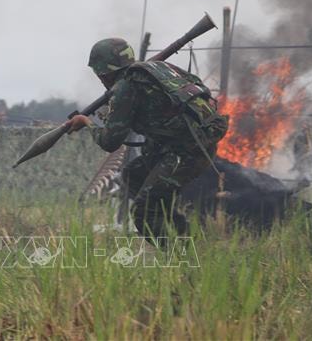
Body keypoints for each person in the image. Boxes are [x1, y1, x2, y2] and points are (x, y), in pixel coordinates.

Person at [65, 38, 228, 244]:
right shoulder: (159, 68)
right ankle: (188, 236)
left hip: (185, 153)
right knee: (133, 175)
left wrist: (86, 122)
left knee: (143, 211)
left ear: (104, 73)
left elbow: (109, 142)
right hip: (189, 144)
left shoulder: (126, 87)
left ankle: (180, 259)